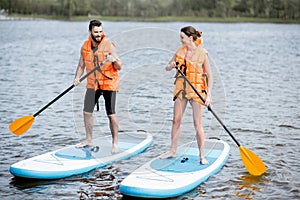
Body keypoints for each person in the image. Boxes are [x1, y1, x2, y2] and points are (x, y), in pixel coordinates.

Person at [162, 26, 212, 165]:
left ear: (190, 38)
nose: (180, 40)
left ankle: (202, 155)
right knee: (176, 120)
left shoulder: (203, 53)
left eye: (182, 37)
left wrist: (208, 96)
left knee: (198, 124)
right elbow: (167, 67)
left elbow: (209, 76)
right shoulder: (180, 51)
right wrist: (171, 66)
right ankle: (172, 151)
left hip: (196, 90)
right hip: (181, 89)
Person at [73, 20, 122, 153]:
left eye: (100, 31)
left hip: (108, 83)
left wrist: (115, 60)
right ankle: (88, 139)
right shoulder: (85, 46)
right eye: (96, 32)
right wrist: (77, 78)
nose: (99, 34)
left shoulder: (109, 45)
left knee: (111, 114)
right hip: (93, 84)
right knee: (87, 112)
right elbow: (81, 65)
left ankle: (115, 143)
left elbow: (119, 66)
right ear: (90, 32)